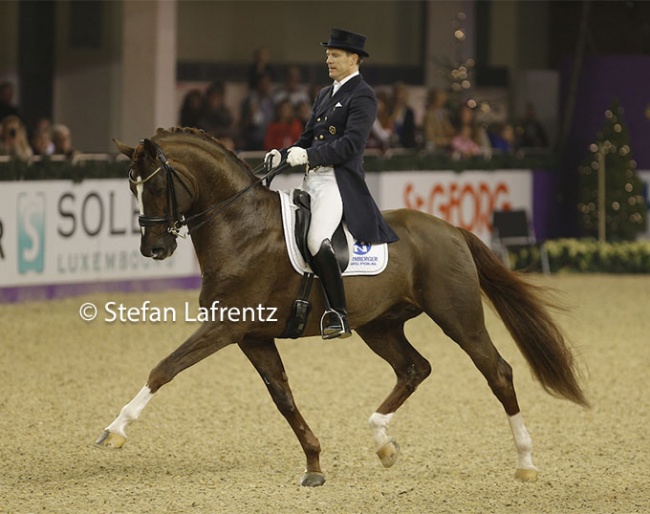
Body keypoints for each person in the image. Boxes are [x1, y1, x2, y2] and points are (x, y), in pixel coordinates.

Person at [265, 28, 399, 339]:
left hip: (337, 181)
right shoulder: (325, 94)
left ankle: (338, 314)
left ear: (354, 59)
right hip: (311, 179)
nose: (329, 59)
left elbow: (351, 146)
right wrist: (282, 155)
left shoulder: (363, 95)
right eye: (328, 54)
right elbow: (306, 138)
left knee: (316, 240)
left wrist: (307, 155)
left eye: (335, 55)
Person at [422, 88, 455, 152]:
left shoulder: (443, 113)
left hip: (443, 145)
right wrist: (446, 141)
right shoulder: (429, 115)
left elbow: (449, 129)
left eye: (443, 99)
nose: (442, 102)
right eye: (439, 99)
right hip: (434, 146)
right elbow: (429, 136)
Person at [388, 82, 416, 148]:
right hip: (390, 143)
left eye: (401, 94)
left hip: (405, 144)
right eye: (398, 94)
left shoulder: (409, 112)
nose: (399, 97)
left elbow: (410, 131)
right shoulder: (389, 110)